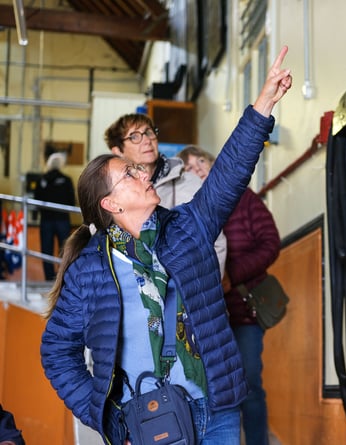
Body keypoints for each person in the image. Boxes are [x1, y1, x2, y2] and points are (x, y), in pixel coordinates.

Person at [40, 46, 292, 445]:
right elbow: (56, 351)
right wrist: (104, 416)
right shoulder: (90, 269)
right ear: (111, 204)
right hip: (147, 420)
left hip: (218, 411)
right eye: (129, 173)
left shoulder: (188, 227)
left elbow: (228, 175)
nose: (143, 173)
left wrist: (263, 104)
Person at [177, 145, 280, 445]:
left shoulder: (244, 199)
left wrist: (231, 276)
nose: (198, 169)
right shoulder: (187, 209)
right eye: (189, 167)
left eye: (201, 161)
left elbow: (270, 243)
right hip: (203, 316)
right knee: (210, 388)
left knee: (249, 382)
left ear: (213, 164)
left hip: (243, 311)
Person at [103, 95, 228, 276]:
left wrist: (203, 290)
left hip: (189, 289)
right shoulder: (112, 194)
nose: (146, 140)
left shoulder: (189, 181)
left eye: (148, 132)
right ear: (117, 150)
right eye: (135, 137)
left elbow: (216, 240)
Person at [33, 152, 76, 280]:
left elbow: (36, 201)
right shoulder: (67, 180)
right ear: (61, 165)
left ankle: (49, 278)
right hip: (62, 220)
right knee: (65, 250)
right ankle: (62, 277)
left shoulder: (41, 180)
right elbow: (71, 201)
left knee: (46, 250)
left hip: (46, 220)